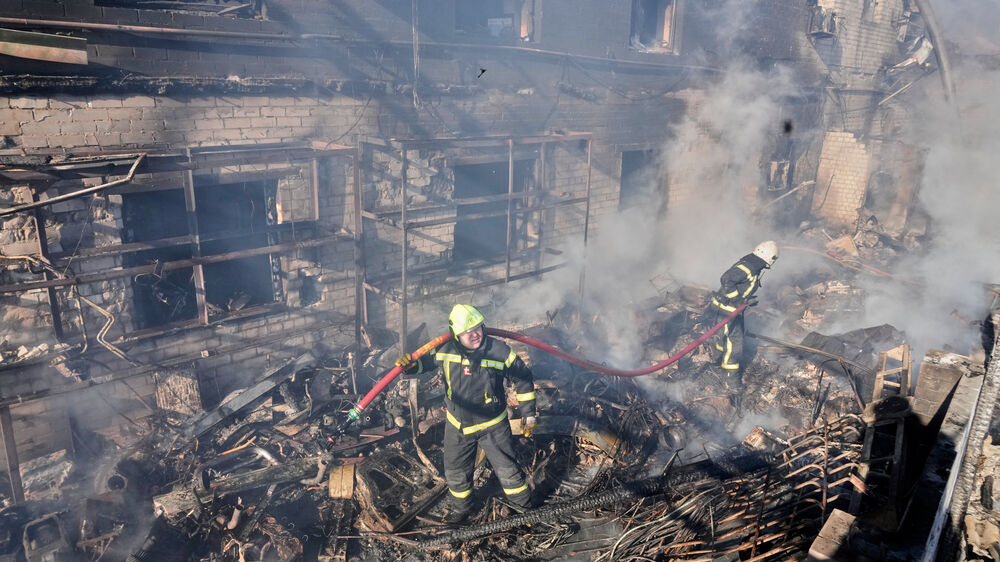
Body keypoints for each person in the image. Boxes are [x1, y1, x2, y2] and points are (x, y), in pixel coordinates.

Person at [395, 304, 538, 522]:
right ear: (455, 334)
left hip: (493, 426)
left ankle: (525, 512)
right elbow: (423, 365)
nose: (475, 334)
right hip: (457, 426)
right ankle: (461, 510)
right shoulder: (444, 349)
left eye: (478, 327)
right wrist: (408, 366)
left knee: (509, 471)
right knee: (455, 472)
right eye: (467, 331)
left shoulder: (498, 351)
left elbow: (523, 378)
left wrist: (529, 415)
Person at [703, 241, 779, 389]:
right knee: (735, 344)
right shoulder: (749, 267)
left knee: (725, 338)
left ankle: (717, 361)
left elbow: (741, 286)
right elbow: (726, 279)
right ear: (770, 258)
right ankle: (731, 380)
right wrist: (738, 299)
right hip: (727, 310)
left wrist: (746, 300)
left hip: (731, 309)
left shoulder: (753, 265)